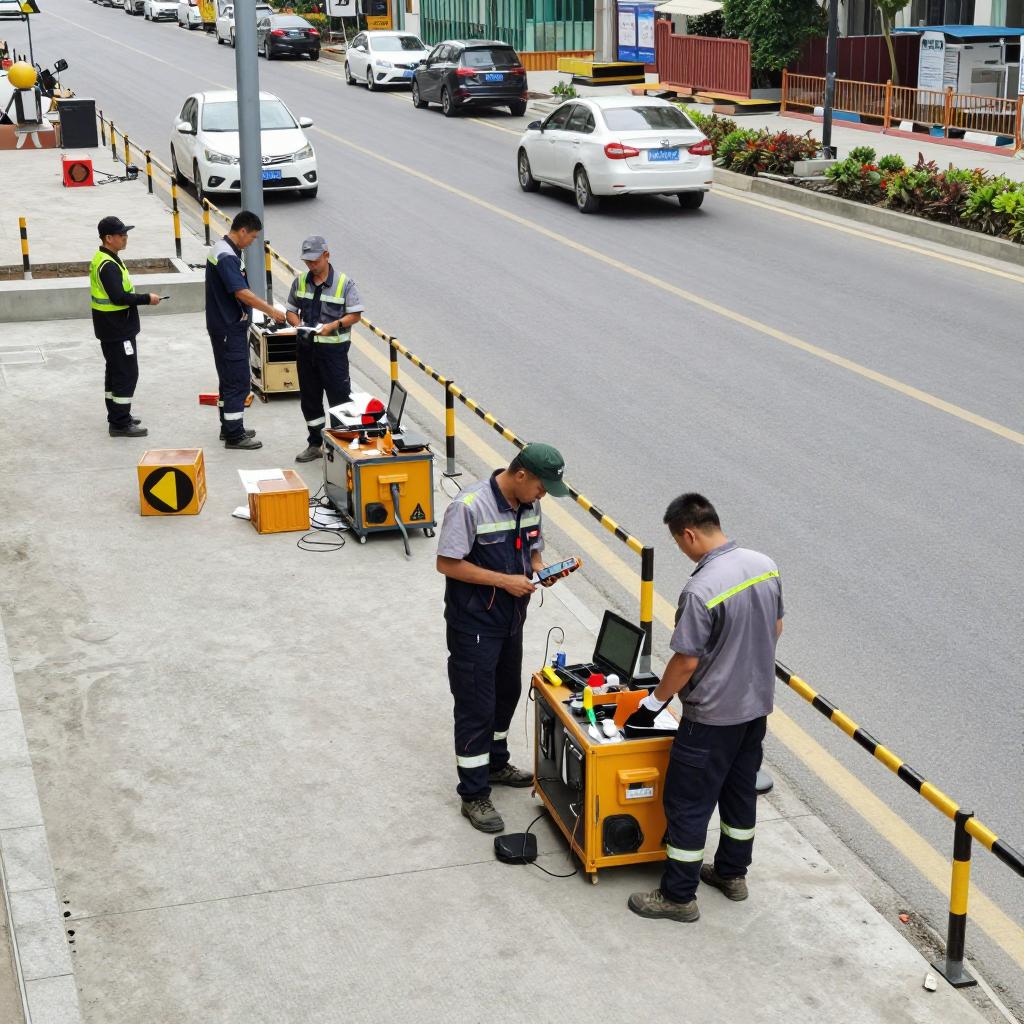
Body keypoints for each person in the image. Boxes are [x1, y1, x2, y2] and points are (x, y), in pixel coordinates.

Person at [626, 493, 784, 923]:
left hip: (711, 718)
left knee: (688, 804)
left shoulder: (701, 589)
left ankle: (678, 896)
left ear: (690, 533)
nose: (682, 550)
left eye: (680, 542)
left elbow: (686, 660)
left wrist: (654, 704)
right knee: (739, 793)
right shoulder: (764, 564)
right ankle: (733, 875)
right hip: (755, 711)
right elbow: (776, 628)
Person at [436, 444, 569, 833]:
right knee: (476, 705)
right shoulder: (469, 506)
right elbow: (447, 562)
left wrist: (541, 569)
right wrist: (504, 581)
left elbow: (533, 549)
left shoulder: (530, 505)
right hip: (474, 624)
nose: (544, 496)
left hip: (511, 621)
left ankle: (495, 763)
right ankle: (474, 794)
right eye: (543, 487)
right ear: (522, 475)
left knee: (507, 693)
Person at [205, 210, 285, 451]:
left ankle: (228, 426)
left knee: (228, 378)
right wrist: (271, 310)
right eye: (252, 237)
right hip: (229, 328)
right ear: (242, 231)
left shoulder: (223, 249)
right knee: (237, 381)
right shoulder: (227, 256)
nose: (252, 242)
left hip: (223, 325)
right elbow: (240, 292)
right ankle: (234, 435)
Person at [284, 236, 364, 463]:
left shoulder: (344, 283)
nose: (311, 266)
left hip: (333, 354)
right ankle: (315, 443)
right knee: (310, 399)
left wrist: (334, 325)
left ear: (327, 256)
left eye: (315, 261)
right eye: (307, 262)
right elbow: (291, 309)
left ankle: (340, 447)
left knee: (339, 399)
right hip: (306, 351)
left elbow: (355, 314)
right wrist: (296, 324)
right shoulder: (300, 282)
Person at [90, 216, 161, 438]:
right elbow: (119, 297)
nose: (126, 238)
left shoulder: (107, 258)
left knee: (115, 372)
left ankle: (118, 416)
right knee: (126, 373)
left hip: (112, 327)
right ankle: (120, 423)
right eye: (122, 235)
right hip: (116, 329)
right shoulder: (107, 265)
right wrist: (146, 298)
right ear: (108, 238)